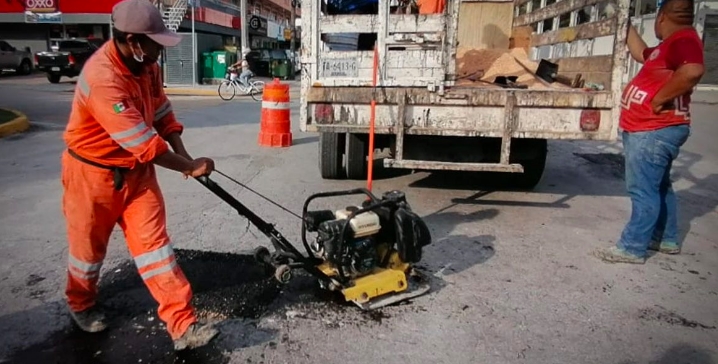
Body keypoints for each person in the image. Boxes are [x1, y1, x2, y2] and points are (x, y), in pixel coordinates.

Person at [61, 0, 219, 350]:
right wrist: (188, 167)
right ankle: (81, 304)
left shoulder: (145, 65)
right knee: (87, 251)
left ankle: (183, 325)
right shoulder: (103, 79)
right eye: (154, 42)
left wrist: (184, 153)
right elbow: (145, 144)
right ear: (132, 40)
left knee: (155, 250)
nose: (160, 50)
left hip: (137, 176)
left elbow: (162, 111)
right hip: (93, 176)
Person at [594, 0, 704, 264]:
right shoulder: (669, 46)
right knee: (659, 186)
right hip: (654, 130)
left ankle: (632, 247)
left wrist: (658, 99)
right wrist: (625, 23)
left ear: (662, 17)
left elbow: (693, 71)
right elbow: (640, 52)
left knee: (642, 190)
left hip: (653, 130)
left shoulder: (683, 41)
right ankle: (665, 238)